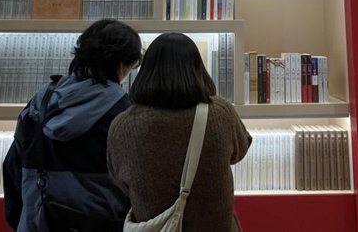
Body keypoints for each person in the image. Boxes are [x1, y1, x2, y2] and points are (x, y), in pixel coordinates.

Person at [3, 19, 143, 232]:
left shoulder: (42, 99)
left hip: (39, 219)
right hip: (102, 221)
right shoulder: (124, 111)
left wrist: (24, 216)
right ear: (122, 65)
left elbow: (13, 164)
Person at [107, 33, 252, 232]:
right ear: (198, 68)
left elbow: (119, 180)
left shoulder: (122, 125)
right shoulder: (220, 112)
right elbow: (240, 150)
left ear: (146, 70)